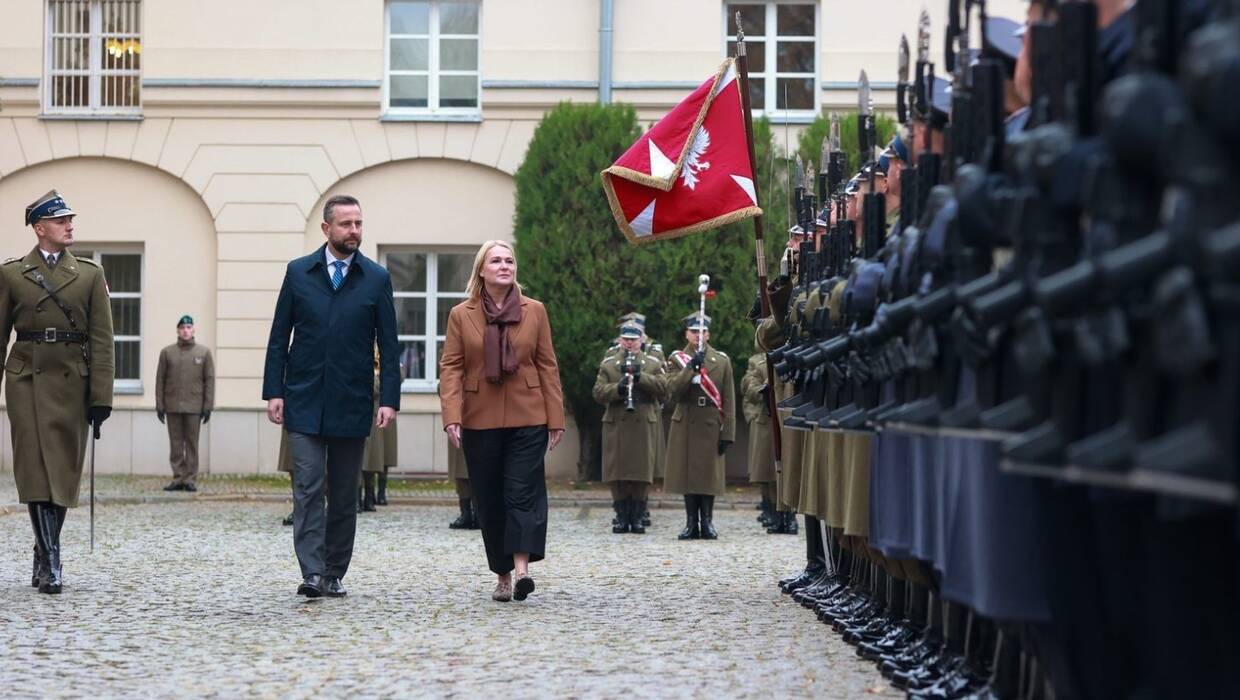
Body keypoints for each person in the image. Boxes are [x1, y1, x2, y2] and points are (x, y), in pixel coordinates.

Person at [262, 194, 400, 599]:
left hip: (352, 400)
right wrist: (274, 390)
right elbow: (277, 338)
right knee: (307, 486)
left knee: (343, 493)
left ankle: (334, 571)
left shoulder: (376, 279)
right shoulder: (298, 273)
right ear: (327, 229)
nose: (354, 231)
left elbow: (389, 346)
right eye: (345, 224)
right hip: (303, 398)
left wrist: (388, 398)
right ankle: (311, 571)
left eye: (358, 223)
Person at [0, 190, 114, 594]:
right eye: (61, 220)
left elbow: (102, 340)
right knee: (34, 470)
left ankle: (43, 550)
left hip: (72, 383)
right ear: (40, 228)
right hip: (26, 379)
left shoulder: (89, 274)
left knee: (62, 473)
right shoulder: (12, 274)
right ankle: (51, 560)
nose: (70, 225)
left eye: (70, 219)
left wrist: (102, 397)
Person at [439, 240, 565, 603]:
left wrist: (555, 417)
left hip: (529, 415)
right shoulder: (462, 314)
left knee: (521, 492)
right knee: (490, 499)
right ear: (481, 270)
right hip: (480, 418)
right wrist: (452, 415)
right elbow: (451, 367)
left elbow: (547, 365)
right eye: (496, 260)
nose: (505, 266)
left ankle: (523, 570)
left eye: (510, 260)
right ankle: (503, 575)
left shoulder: (534, 311)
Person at [663, 312, 736, 540]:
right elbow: (672, 391)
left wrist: (729, 432)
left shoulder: (721, 360)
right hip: (686, 422)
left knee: (708, 476)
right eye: (694, 332)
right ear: (687, 333)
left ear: (709, 334)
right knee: (688, 476)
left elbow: (729, 398)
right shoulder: (677, 359)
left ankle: (707, 521)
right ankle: (690, 523)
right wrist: (690, 369)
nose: (698, 336)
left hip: (711, 424)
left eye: (702, 331)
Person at [592, 321, 668, 534]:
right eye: (625, 339)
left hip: (643, 422)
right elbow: (598, 392)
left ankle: (637, 514)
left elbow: (664, 388)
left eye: (633, 340)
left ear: (641, 340)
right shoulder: (609, 364)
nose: (629, 344)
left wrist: (641, 378)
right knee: (618, 473)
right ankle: (621, 515)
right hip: (617, 421)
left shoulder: (652, 363)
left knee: (641, 473)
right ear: (620, 340)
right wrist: (618, 389)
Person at [155, 314, 214, 493]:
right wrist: (159, 404)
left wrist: (208, 406)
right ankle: (178, 477)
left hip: (194, 406)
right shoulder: (167, 353)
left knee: (192, 444)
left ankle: (190, 479)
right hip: (172, 404)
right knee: (175, 443)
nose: (186, 331)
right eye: (182, 328)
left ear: (193, 330)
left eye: (188, 328)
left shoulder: (203, 353)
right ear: (178, 331)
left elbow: (209, 380)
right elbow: (160, 379)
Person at [741, 350, 777, 529]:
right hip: (764, 418)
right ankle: (771, 511)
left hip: (785, 421)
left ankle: (788, 517)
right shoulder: (758, 362)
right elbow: (749, 390)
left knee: (784, 471)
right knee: (766, 471)